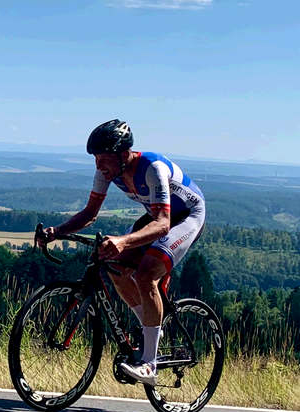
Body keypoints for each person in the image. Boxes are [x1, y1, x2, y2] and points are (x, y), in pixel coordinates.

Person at [41, 119, 205, 385]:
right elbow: (90, 213)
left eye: (104, 158)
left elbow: (163, 224)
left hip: (186, 216)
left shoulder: (152, 168)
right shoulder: (107, 171)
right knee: (115, 265)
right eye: (96, 159)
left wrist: (123, 241)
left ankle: (149, 365)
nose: (99, 166)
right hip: (157, 216)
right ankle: (152, 326)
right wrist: (56, 231)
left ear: (123, 154)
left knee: (146, 275)